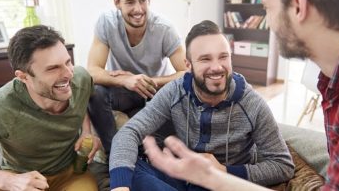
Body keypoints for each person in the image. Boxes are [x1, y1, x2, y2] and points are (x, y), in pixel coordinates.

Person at [143, 0, 339, 190]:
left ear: (298, 6)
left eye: (267, 8)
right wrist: (214, 176)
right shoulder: (337, 81)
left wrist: (219, 176)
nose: (268, 23)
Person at [109, 20, 294, 191]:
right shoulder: (175, 91)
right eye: (205, 59)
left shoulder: (252, 103)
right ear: (188, 65)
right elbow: (129, 132)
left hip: (223, 183)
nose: (217, 67)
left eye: (223, 57)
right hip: (183, 178)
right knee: (128, 171)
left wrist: (223, 170)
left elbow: (283, 165)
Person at [0, 25, 101, 190]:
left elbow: (82, 101)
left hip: (70, 175)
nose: (68, 74)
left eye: (67, 62)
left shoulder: (81, 79)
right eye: (53, 68)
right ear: (23, 77)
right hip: (18, 177)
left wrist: (87, 132)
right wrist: (8, 181)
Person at [87, 0, 187, 159]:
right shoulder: (106, 23)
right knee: (95, 91)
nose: (138, 9)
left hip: (153, 92)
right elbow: (91, 72)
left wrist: (152, 81)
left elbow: (186, 72)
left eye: (143, 1)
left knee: (170, 128)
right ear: (117, 2)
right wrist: (127, 80)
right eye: (130, 2)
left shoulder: (164, 29)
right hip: (123, 91)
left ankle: (145, 157)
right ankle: (114, 156)